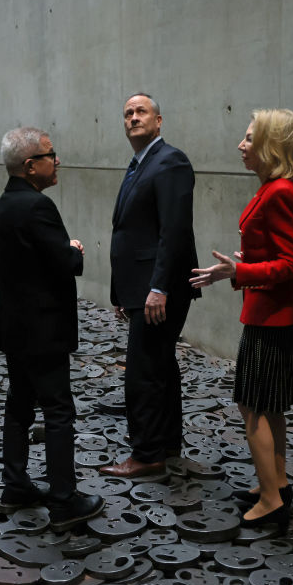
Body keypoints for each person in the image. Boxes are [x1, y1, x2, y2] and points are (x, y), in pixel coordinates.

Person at [190, 108, 293, 533]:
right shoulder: (286, 189)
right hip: (276, 313)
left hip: (269, 316)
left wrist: (239, 272)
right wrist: (252, 262)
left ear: (270, 147)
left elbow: (292, 264)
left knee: (253, 405)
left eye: (249, 138)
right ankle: (276, 484)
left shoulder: (278, 193)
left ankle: (271, 500)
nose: (241, 146)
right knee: (267, 403)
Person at [0, 126, 105, 532]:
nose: (57, 161)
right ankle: (63, 500)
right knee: (57, 411)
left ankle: (16, 484)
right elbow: (64, 265)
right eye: (50, 154)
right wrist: (73, 250)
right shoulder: (37, 207)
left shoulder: (4, 205)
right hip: (42, 330)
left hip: (15, 327)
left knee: (19, 403)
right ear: (29, 165)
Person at [100, 94, 200, 479]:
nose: (133, 118)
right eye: (127, 113)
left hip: (159, 290)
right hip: (141, 288)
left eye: (141, 112)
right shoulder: (139, 165)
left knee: (142, 371)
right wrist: (119, 292)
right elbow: (126, 231)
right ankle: (167, 444)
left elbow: (173, 230)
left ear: (159, 121)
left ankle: (146, 455)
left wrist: (158, 287)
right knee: (159, 365)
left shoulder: (170, 161)